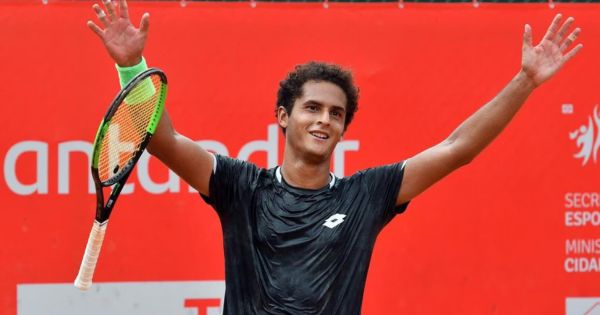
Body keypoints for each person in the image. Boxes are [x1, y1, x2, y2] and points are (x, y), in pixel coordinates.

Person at [87, 1, 582, 314]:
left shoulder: (366, 195)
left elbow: (458, 149)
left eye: (336, 113)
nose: (324, 120)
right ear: (283, 116)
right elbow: (161, 139)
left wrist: (526, 82)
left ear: (344, 127)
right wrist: (131, 62)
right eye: (312, 108)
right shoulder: (240, 186)